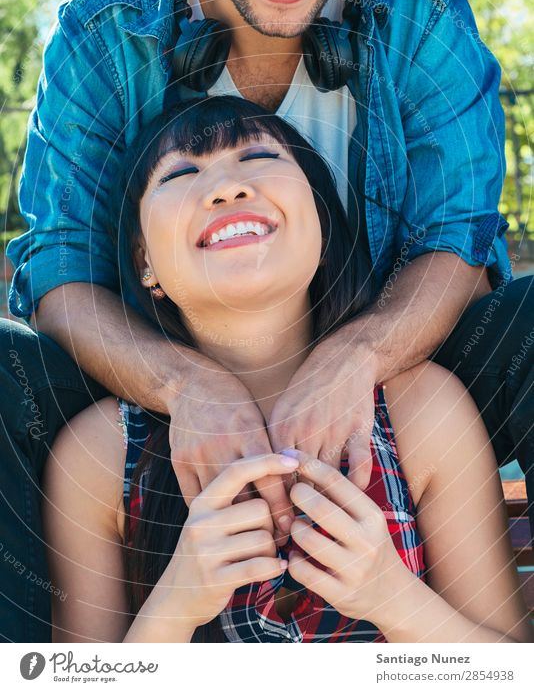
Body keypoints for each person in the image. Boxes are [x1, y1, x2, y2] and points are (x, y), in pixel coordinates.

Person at [1, 0, 532, 642]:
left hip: (405, 372)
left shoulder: (418, 12)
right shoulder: (103, 35)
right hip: (140, 399)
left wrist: (351, 363)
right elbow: (59, 269)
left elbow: (455, 240)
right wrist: (185, 387)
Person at [43, 97, 531, 643]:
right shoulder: (99, 455)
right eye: (181, 172)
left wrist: (395, 600)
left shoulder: (423, 412)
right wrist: (173, 610)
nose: (228, 188)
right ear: (144, 264)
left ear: (322, 225)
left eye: (258, 158)